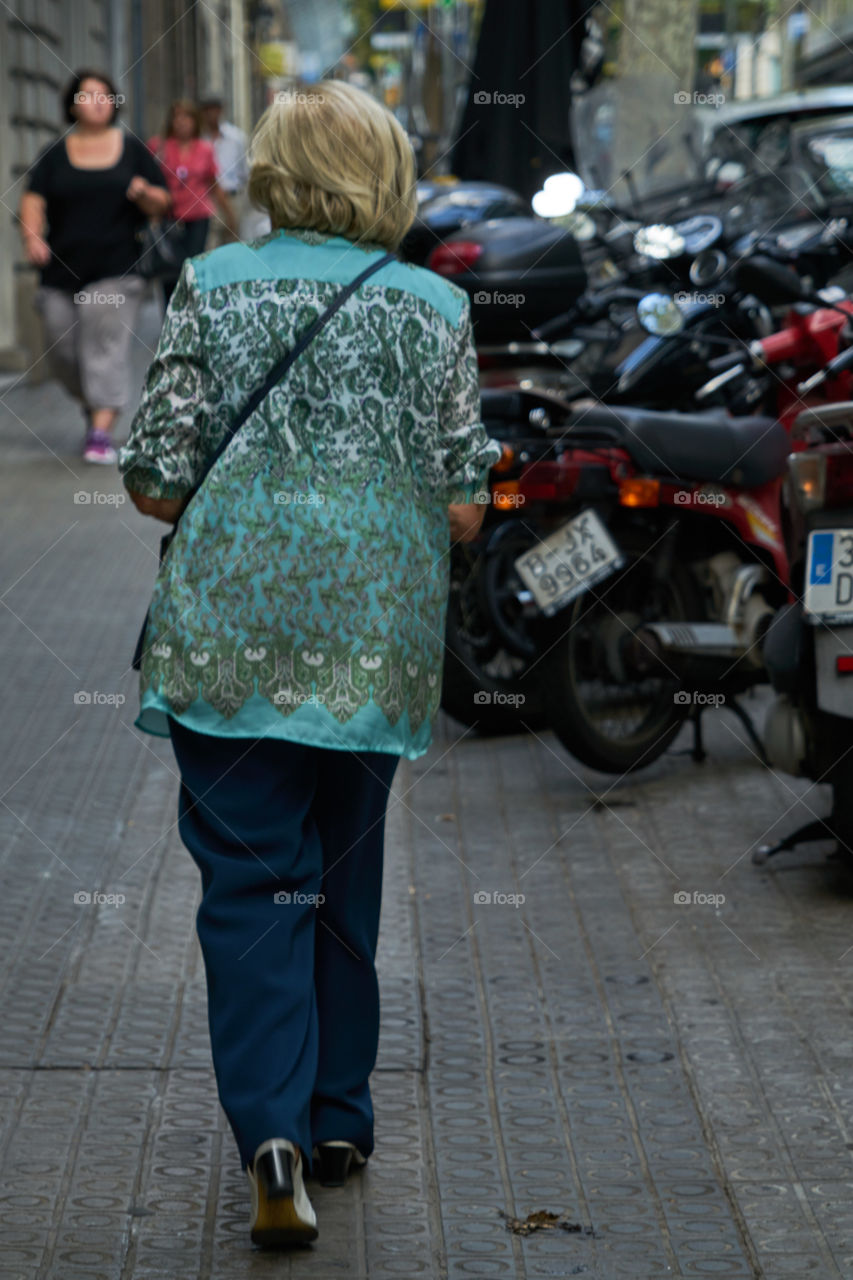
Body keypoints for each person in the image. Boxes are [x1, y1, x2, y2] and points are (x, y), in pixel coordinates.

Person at [118, 78, 501, 1250]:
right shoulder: (434, 304)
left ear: (275, 172)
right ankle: (340, 1115)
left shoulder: (212, 284)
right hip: (370, 644)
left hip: (230, 639)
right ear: (384, 175)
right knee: (343, 874)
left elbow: (153, 478)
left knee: (251, 886)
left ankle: (271, 1137)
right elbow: (468, 504)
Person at [19, 69, 170, 463]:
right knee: (63, 350)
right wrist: (32, 238)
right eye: (88, 95)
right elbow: (33, 200)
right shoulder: (55, 153)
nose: (99, 101)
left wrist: (143, 194)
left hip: (117, 267)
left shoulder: (133, 149)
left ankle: (100, 432)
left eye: (105, 95)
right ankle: (96, 404)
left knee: (103, 349)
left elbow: (162, 202)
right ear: (72, 105)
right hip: (61, 269)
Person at [147, 100, 236, 303]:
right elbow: (148, 181)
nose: (181, 122)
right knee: (169, 269)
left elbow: (214, 184)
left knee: (193, 267)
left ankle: (191, 309)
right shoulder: (158, 146)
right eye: (177, 117)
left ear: (194, 121)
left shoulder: (204, 149)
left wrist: (230, 217)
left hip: (198, 217)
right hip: (168, 218)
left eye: (186, 117)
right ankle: (170, 314)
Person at [199, 92, 250, 247]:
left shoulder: (236, 137)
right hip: (209, 199)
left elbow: (245, 171)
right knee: (211, 246)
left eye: (214, 109)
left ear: (221, 110)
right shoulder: (200, 139)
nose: (211, 114)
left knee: (234, 244)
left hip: (233, 197)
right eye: (207, 110)